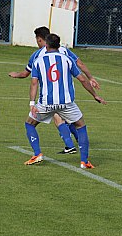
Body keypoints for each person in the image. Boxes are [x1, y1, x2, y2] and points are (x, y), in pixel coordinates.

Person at [9, 26, 100, 154]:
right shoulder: (64, 51)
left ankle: (69, 145)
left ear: (41, 40)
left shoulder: (37, 55)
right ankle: (79, 144)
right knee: (69, 118)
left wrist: (15, 74)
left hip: (49, 96)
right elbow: (80, 64)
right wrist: (90, 77)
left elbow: (26, 74)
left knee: (56, 115)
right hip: (68, 92)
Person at [24, 33, 106, 168]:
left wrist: (32, 104)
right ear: (59, 45)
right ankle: (84, 161)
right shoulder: (67, 59)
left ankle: (37, 153)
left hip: (46, 103)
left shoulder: (38, 61)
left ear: (46, 45)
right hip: (66, 103)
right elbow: (82, 79)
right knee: (80, 125)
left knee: (30, 124)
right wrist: (94, 95)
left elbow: (34, 84)